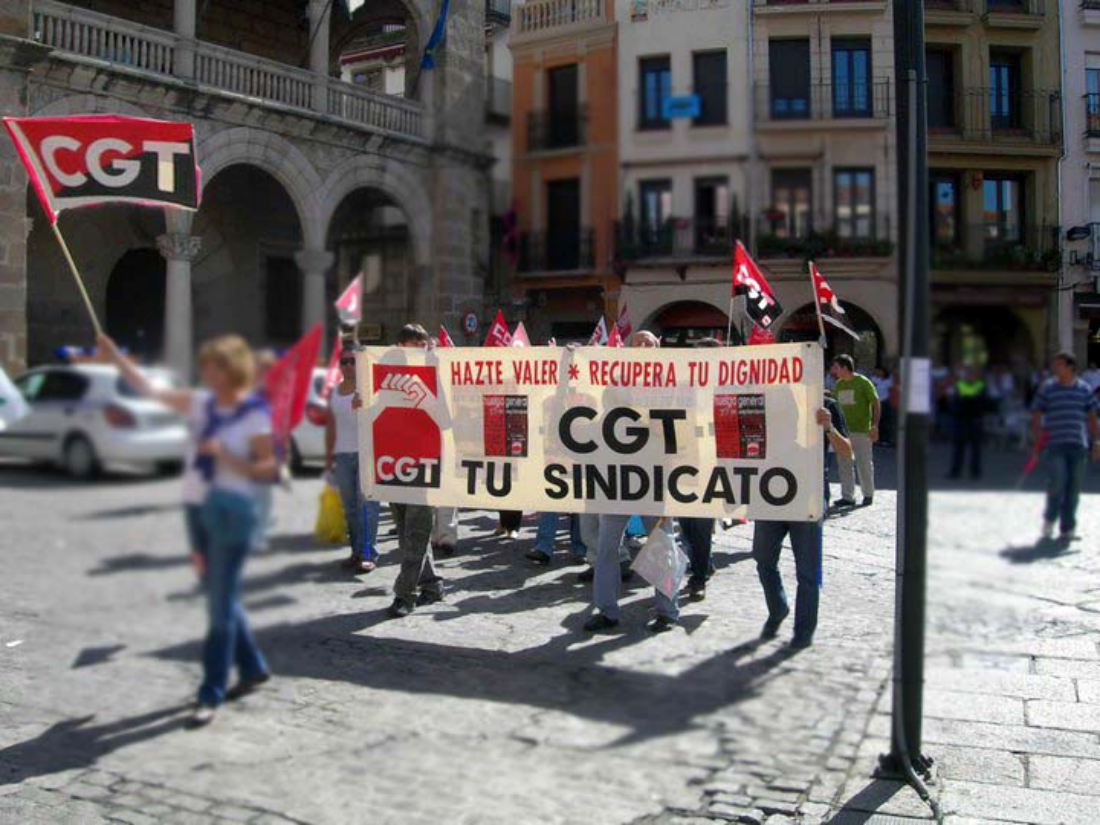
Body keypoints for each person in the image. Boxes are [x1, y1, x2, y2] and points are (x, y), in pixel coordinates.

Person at [99, 332, 276, 727]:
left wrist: (227, 457)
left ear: (231, 370)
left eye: (213, 366)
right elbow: (149, 390)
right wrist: (115, 357)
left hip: (233, 513)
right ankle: (251, 665)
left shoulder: (252, 413)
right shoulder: (200, 403)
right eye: (205, 366)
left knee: (218, 607)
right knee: (220, 595)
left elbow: (268, 468)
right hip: (197, 510)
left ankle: (210, 692)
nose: (206, 372)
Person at [585, 329, 681, 634]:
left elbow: (679, 431)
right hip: (616, 480)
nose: (641, 346)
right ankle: (607, 610)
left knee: (661, 544)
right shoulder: (615, 383)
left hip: (653, 479)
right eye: (636, 342)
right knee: (606, 548)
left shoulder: (669, 386)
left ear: (659, 346)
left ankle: (667, 610)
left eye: (648, 342)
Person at [753, 400, 851, 650]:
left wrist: (829, 428)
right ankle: (778, 608)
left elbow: (846, 451)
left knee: (807, 572)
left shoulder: (825, 402)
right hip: (770, 498)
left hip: (807, 501)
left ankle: (803, 631)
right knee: (763, 560)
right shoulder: (767, 396)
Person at [387, 323, 445, 618]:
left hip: (426, 468)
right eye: (412, 351)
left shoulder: (437, 377)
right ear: (399, 349)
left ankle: (404, 596)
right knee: (407, 538)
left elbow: (445, 419)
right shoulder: (384, 376)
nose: (417, 357)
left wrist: (435, 369)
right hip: (393, 465)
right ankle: (432, 586)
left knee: (416, 537)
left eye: (421, 351)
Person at [1030, 351, 1100, 542]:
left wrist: (1096, 442)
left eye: (1059, 364)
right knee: (1057, 484)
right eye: (1055, 364)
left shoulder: (1084, 389)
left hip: (1078, 445)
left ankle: (1067, 528)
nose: (1055, 368)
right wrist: (1036, 441)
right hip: (1055, 445)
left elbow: (1092, 418)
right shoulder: (1048, 389)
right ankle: (1050, 521)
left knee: (1074, 488)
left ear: (1070, 367)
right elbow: (1036, 414)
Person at [324, 345, 377, 574]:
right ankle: (356, 551)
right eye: (343, 362)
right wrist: (329, 458)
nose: (347, 366)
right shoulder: (334, 392)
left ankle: (368, 554)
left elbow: (378, 421)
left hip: (366, 454)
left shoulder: (368, 388)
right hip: (342, 455)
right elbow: (331, 426)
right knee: (350, 509)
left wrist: (362, 408)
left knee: (368, 507)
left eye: (351, 361)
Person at [829, 355, 879, 507]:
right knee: (844, 463)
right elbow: (834, 402)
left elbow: (875, 403)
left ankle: (868, 494)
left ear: (845, 368)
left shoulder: (863, 382)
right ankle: (847, 496)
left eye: (836, 367)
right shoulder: (838, 385)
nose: (833, 370)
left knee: (864, 463)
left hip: (862, 430)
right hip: (844, 431)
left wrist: (874, 425)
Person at [947, 365, 991, 480]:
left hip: (975, 420)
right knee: (958, 447)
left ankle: (975, 471)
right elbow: (954, 402)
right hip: (962, 420)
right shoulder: (959, 385)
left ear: (976, 376)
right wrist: (971, 401)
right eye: (968, 374)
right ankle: (955, 471)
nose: (970, 376)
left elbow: (984, 403)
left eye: (972, 374)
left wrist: (966, 400)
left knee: (975, 448)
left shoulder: (981, 386)